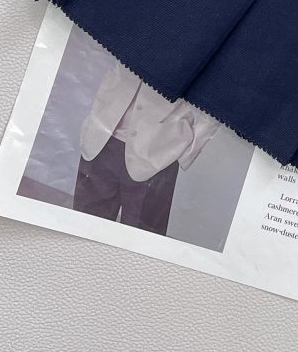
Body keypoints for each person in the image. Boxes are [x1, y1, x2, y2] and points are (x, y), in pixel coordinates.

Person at [72, 60, 219, 235]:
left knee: (140, 240)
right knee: (81, 229)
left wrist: (187, 151)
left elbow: (218, 93)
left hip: (158, 154)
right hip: (101, 141)